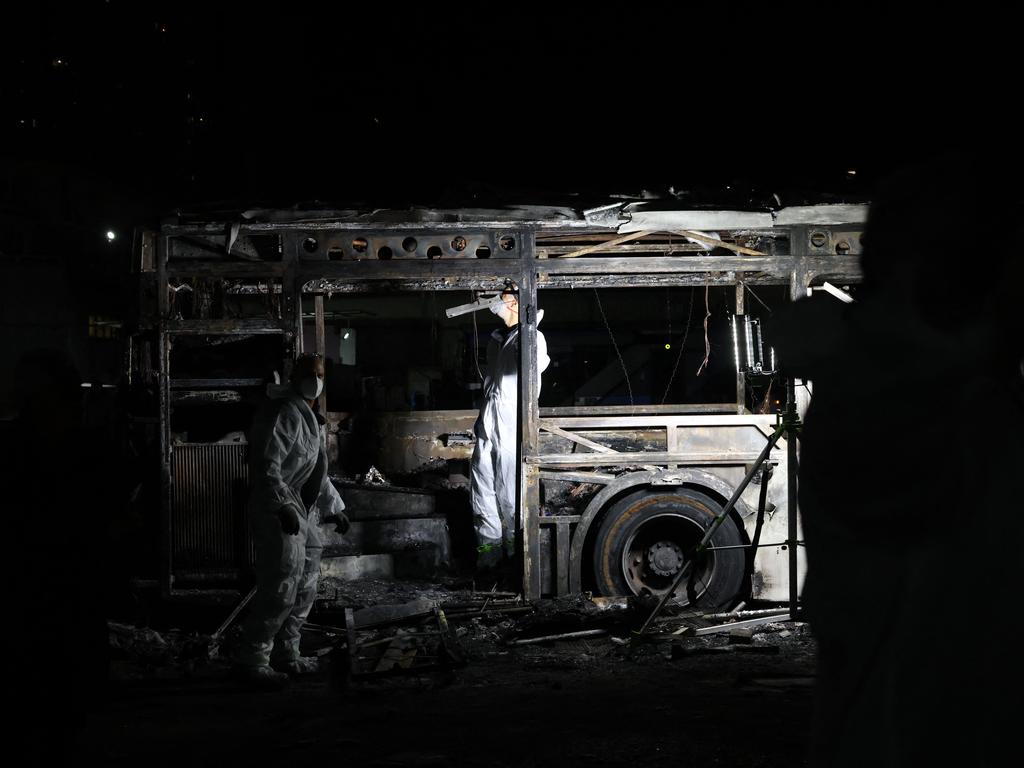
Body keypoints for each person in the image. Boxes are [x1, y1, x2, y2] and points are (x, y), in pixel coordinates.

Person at [233, 353, 349, 689]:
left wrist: (333, 507)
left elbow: (316, 471)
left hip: (303, 508)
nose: (315, 378)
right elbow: (266, 464)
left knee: (305, 586)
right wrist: (281, 504)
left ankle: (288, 653)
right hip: (280, 508)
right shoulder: (283, 413)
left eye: (320, 373)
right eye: (309, 372)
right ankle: (253, 658)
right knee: (281, 586)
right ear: (293, 375)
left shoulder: (309, 416)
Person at [470, 287, 550, 572]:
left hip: (511, 428)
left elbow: (532, 368)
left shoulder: (531, 337)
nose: (496, 302)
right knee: (482, 493)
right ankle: (488, 560)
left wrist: (526, 340)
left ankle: (517, 564)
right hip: (489, 426)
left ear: (516, 303)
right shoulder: (497, 340)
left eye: (502, 296)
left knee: (511, 497)